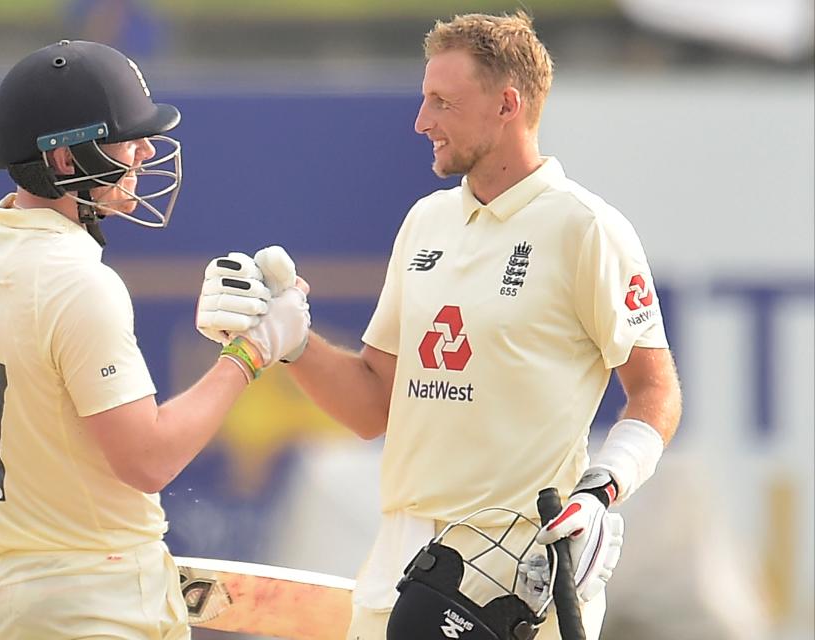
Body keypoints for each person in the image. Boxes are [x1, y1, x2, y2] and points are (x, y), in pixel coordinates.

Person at [196, 12, 682, 640]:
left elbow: (656, 388)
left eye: (442, 103)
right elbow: (375, 402)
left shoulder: (586, 227)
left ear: (507, 105)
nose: (422, 122)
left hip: (511, 576)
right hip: (398, 568)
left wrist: (603, 488)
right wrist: (285, 339)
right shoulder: (425, 221)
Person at [0, 40, 309, 639]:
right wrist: (252, 352)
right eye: (126, 137)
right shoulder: (77, 281)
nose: (144, 151)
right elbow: (149, 460)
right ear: (66, 160)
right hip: (92, 608)